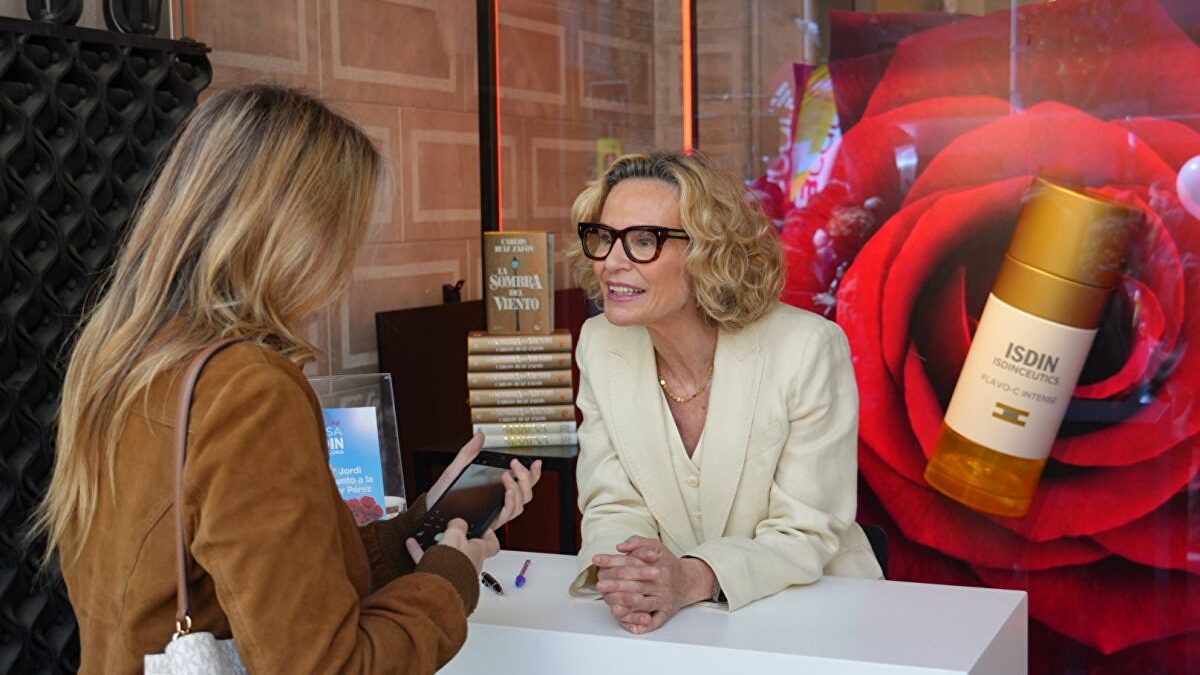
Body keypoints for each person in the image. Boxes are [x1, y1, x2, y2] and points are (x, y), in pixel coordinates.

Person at [30, 85, 541, 674]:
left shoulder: (123, 360)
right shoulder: (248, 390)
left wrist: (419, 527)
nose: (347, 266)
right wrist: (450, 579)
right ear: (299, 231)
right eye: (348, 234)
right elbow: (328, 665)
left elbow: (265, 586)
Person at [567, 150, 881, 634]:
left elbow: (805, 529)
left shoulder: (807, 347)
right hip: (674, 625)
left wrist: (691, 577)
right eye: (604, 238)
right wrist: (630, 577)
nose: (611, 261)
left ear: (708, 252)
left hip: (815, 615)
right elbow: (612, 504)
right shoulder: (599, 343)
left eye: (644, 240)